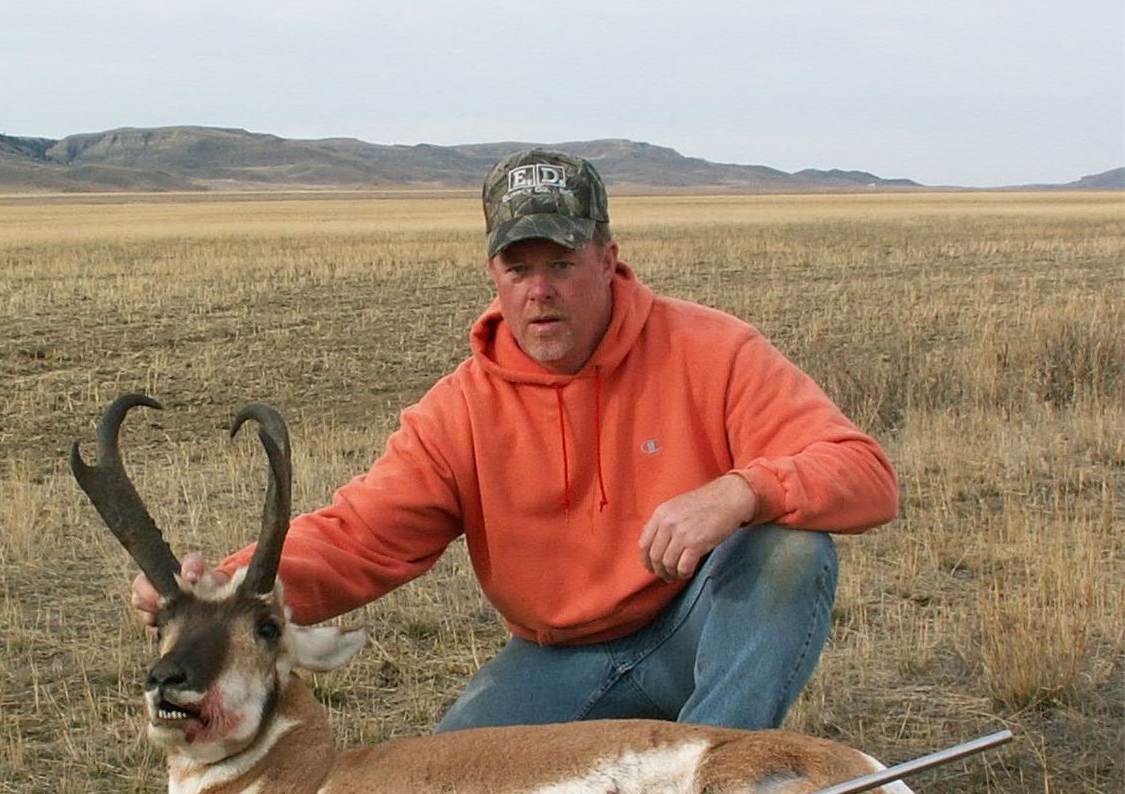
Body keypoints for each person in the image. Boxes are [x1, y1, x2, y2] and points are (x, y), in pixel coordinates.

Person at [132, 148, 898, 733]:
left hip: (696, 631)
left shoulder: (712, 352)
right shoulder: (461, 412)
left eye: (562, 263)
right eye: (519, 266)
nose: (541, 291)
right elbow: (358, 538)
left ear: (607, 259)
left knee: (790, 552)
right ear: (493, 272)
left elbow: (863, 472)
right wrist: (222, 586)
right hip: (560, 661)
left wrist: (741, 492)